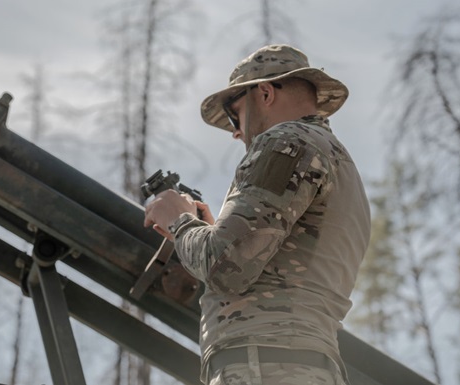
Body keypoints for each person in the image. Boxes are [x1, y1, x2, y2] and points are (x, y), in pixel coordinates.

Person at [144, 44, 371, 385]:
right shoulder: (337, 160)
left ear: (264, 93)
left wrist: (180, 220)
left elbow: (224, 266)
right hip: (294, 363)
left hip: (264, 364)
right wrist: (209, 231)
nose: (236, 131)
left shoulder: (286, 142)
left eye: (234, 116)